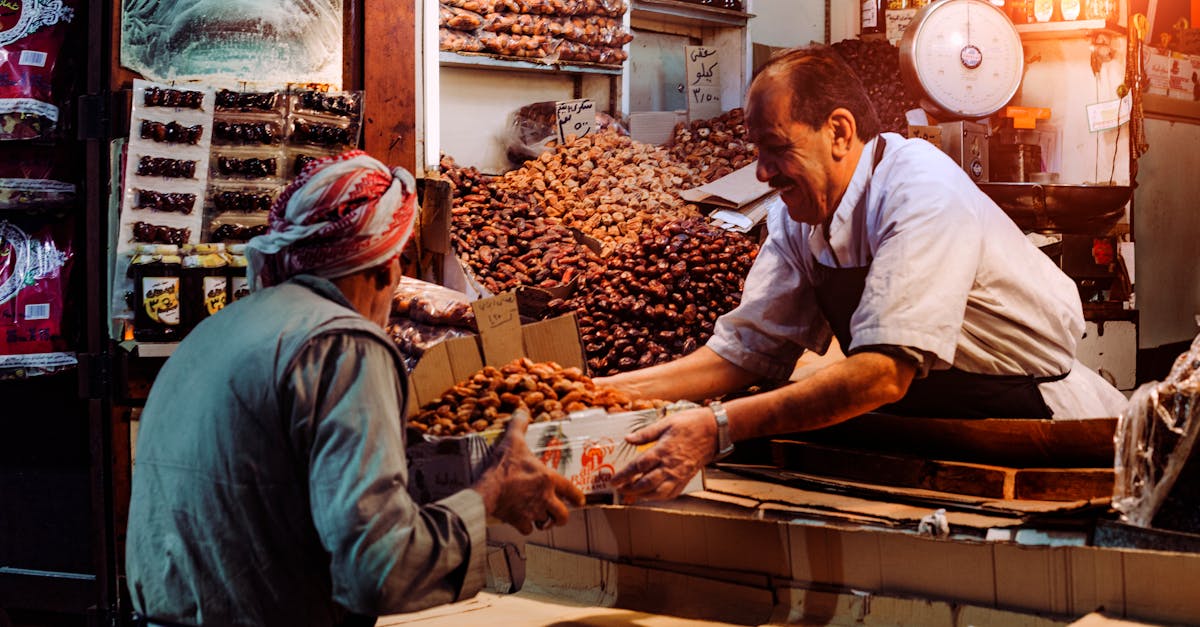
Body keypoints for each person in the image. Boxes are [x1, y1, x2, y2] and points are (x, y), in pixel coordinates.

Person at [602, 45, 1127, 503]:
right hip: (922, 425)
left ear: (838, 131)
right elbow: (743, 354)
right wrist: (600, 393)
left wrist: (718, 427)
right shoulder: (796, 214)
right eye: (756, 151)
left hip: (1029, 424)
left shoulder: (917, 189)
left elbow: (882, 373)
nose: (761, 172)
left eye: (777, 148)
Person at [125, 150, 584, 626]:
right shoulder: (344, 344)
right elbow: (379, 570)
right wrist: (490, 495)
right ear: (388, 270)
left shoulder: (216, 330)